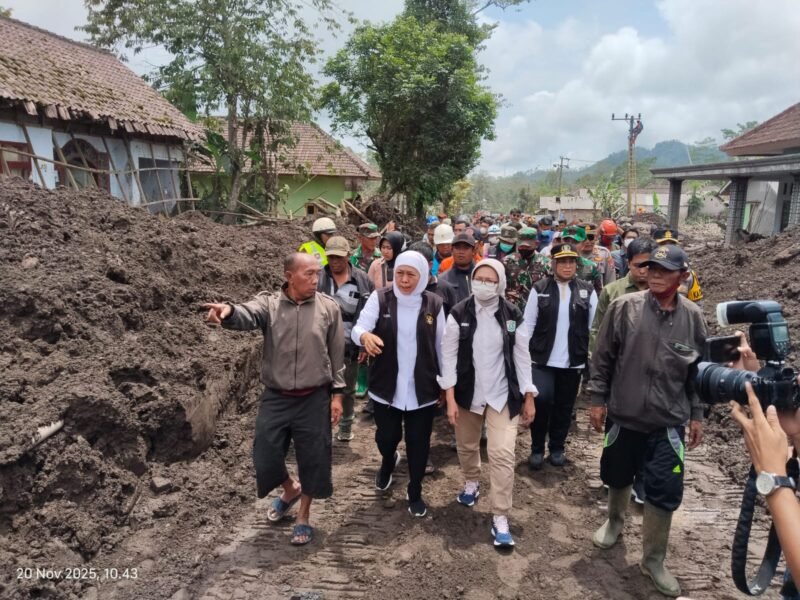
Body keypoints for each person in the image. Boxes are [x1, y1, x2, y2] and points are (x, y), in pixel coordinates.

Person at [588, 244, 707, 598]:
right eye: (651, 267)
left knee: (664, 491)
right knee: (616, 474)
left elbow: (698, 372)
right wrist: (597, 399)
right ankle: (614, 521)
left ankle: (653, 559)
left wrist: (697, 413)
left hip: (668, 422)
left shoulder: (693, 317)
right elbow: (603, 356)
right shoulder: (625, 308)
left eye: (664, 269)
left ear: (683, 276)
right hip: (624, 415)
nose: (654, 274)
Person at [202, 253, 344, 546]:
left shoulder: (329, 309)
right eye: (308, 274)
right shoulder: (270, 304)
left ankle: (303, 516)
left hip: (314, 397)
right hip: (277, 396)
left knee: (313, 458)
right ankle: (290, 488)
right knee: (264, 454)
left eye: (317, 274)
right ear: (289, 276)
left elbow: (337, 357)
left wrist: (337, 396)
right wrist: (227, 311)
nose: (315, 280)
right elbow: (247, 313)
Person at [439, 259, 537, 548]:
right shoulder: (459, 312)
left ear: (500, 283)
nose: (483, 283)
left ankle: (500, 515)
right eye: (478, 278)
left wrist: (529, 396)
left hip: (502, 395)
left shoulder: (511, 313)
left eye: (490, 280)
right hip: (469, 394)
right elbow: (448, 356)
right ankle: (472, 481)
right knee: (467, 445)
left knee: (503, 455)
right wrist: (450, 399)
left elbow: (521, 356)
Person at [352, 251, 446, 518]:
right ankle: (387, 460)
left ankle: (414, 490)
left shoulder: (434, 305)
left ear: (422, 277)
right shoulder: (381, 298)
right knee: (387, 436)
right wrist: (365, 337)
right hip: (386, 387)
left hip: (422, 389)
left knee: (419, 443)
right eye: (400, 273)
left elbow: (444, 347)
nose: (404, 280)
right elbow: (359, 328)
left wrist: (445, 384)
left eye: (411, 275)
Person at [525, 243, 597, 469]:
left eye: (571, 261)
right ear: (553, 263)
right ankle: (537, 448)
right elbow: (528, 325)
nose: (567, 266)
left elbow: (594, 327)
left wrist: (590, 360)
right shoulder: (540, 288)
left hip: (572, 361)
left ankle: (557, 447)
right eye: (562, 261)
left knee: (565, 407)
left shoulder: (587, 290)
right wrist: (524, 359)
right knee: (542, 402)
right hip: (542, 360)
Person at [318, 237, 374, 441]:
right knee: (321, 387)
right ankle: (321, 425)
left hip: (349, 343)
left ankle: (346, 424)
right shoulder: (319, 278)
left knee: (347, 388)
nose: (334, 261)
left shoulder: (362, 280)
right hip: (321, 343)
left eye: (339, 257)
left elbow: (368, 312)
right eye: (331, 257)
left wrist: (363, 345)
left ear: (348, 256)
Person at [590, 237, 656, 353]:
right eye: (638, 265)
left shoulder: (661, 292)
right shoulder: (611, 291)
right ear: (628, 263)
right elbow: (597, 329)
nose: (642, 271)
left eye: (648, 266)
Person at [652, 226, 704, 303]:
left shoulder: (688, 274)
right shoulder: (645, 270)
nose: (668, 248)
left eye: (672, 244)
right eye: (663, 244)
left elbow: (697, 305)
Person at [503, 227, 549, 310]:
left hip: (537, 309)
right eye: (521, 247)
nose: (524, 249)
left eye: (527, 247)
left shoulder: (546, 263)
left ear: (536, 244)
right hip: (512, 310)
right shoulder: (508, 261)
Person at [408, 241, 458, 316]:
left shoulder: (445, 289)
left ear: (430, 265)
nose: (414, 266)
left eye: (418, 262)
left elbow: (453, 319)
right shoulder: (404, 287)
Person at [439, 232, 477, 305]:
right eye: (457, 248)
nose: (461, 252)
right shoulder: (444, 279)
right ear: (452, 250)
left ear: (473, 251)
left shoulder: (482, 277)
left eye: (466, 248)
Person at [580, 223, 616, 287]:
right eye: (584, 238)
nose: (587, 241)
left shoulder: (604, 253)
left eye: (591, 237)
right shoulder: (572, 254)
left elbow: (611, 282)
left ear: (595, 237)